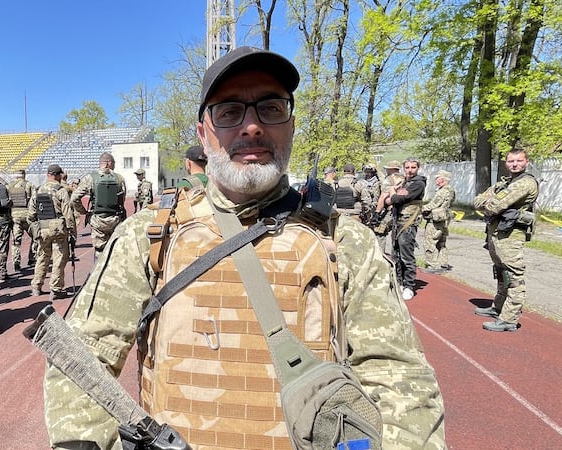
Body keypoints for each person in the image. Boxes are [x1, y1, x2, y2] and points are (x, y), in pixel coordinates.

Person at [43, 46, 445, 449]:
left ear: (291, 126)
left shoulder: (345, 241)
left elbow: (400, 380)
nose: (251, 127)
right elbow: (80, 364)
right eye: (229, 112)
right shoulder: (149, 234)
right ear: (204, 133)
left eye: (270, 109)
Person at [473, 147, 539, 332]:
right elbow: (478, 200)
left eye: (519, 161)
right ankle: (499, 307)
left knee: (514, 276)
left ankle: (509, 319)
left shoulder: (525, 183)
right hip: (497, 233)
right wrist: (489, 202)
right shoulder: (506, 182)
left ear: (526, 162)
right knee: (501, 272)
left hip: (511, 235)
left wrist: (490, 203)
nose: (515, 164)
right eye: (511, 161)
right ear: (506, 163)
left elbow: (493, 207)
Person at [27, 164, 76, 299]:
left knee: (42, 257)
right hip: (58, 230)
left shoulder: (37, 190)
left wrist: (36, 229)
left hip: (42, 229)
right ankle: (56, 288)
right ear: (58, 175)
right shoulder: (61, 191)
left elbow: (31, 214)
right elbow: (68, 214)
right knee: (59, 258)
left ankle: (36, 286)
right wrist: (72, 232)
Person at [384, 157, 426, 301]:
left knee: (406, 256)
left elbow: (396, 200)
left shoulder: (418, 184)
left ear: (417, 168)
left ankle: (409, 286)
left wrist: (393, 194)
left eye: (413, 167)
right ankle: (399, 282)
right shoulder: (404, 182)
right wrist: (394, 195)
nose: (409, 170)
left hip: (408, 223)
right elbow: (388, 201)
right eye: (407, 167)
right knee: (395, 255)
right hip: (397, 222)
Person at [70, 152, 127, 258]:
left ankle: (99, 272)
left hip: (98, 220)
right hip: (115, 219)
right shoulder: (120, 178)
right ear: (109, 163)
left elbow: (74, 198)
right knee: (115, 250)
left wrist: (84, 212)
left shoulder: (90, 178)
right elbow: (122, 199)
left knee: (99, 250)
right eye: (114, 163)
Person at [421, 170, 456, 274]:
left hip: (435, 221)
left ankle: (432, 265)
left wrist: (420, 208)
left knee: (429, 243)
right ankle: (443, 263)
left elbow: (433, 205)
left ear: (443, 179)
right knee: (442, 243)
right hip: (444, 219)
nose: (435, 179)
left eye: (437, 178)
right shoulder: (451, 191)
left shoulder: (442, 192)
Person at [8, 169, 37, 272]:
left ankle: (16, 262)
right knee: (35, 237)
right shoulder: (29, 185)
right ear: (24, 175)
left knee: (16, 241)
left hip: (15, 216)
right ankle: (32, 258)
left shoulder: (9, 186)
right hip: (27, 215)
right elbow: (34, 200)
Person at [372, 160, 404, 253]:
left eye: (387, 169)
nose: (386, 171)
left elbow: (383, 196)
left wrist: (377, 212)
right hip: (404, 211)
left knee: (379, 231)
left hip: (391, 209)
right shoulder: (405, 178)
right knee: (398, 234)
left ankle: (379, 255)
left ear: (391, 169)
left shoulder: (389, 179)